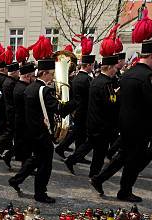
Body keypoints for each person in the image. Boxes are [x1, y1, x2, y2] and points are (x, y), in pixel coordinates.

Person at [90, 38, 152, 202]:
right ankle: (124, 191)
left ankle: (100, 178)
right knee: (133, 160)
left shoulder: (129, 73)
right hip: (140, 124)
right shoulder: (148, 76)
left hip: (125, 122)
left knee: (123, 155)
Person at [8, 35, 77, 203]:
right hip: (41, 133)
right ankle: (40, 193)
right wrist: (76, 102)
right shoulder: (43, 90)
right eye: (52, 74)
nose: (53, 77)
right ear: (44, 72)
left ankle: (16, 180)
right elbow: (60, 110)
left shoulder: (31, 87)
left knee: (35, 160)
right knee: (45, 166)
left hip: (32, 132)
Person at [67, 54, 119, 178]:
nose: (116, 70)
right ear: (110, 67)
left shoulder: (98, 80)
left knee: (89, 145)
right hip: (101, 122)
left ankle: (72, 160)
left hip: (95, 121)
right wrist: (118, 97)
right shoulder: (104, 83)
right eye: (115, 67)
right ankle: (94, 174)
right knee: (99, 152)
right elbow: (109, 103)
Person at [58, 53, 94, 162]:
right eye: (91, 65)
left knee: (77, 133)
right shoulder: (87, 79)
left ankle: (66, 150)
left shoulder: (76, 77)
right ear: (87, 65)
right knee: (79, 133)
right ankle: (63, 149)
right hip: (83, 109)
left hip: (76, 108)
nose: (92, 67)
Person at [0, 56, 19, 168]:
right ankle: (0, 150)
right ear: (15, 72)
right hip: (12, 111)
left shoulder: (8, 81)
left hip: (9, 109)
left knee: (10, 132)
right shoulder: (11, 82)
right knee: (11, 132)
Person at [12, 61, 36, 165]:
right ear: (27, 76)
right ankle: (25, 165)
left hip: (20, 119)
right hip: (24, 120)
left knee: (21, 143)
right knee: (25, 144)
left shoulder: (19, 85)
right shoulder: (24, 89)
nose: (34, 79)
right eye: (33, 76)